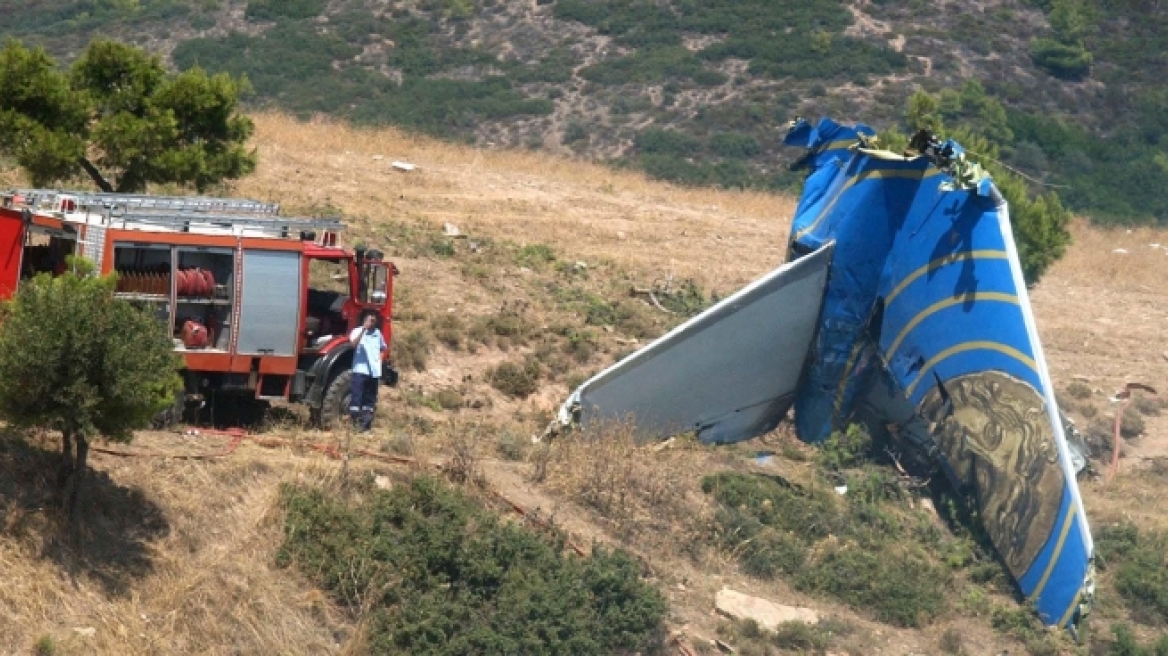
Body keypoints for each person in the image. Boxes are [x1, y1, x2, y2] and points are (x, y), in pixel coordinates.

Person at [349, 310, 387, 431]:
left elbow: (383, 348)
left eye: (373, 319)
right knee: (356, 397)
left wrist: (379, 360)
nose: (371, 322)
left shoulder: (378, 333)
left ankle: (365, 426)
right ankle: (354, 424)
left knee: (369, 400)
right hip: (360, 370)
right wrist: (363, 330)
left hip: (373, 372)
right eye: (369, 319)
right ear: (363, 319)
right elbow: (353, 345)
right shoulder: (357, 331)